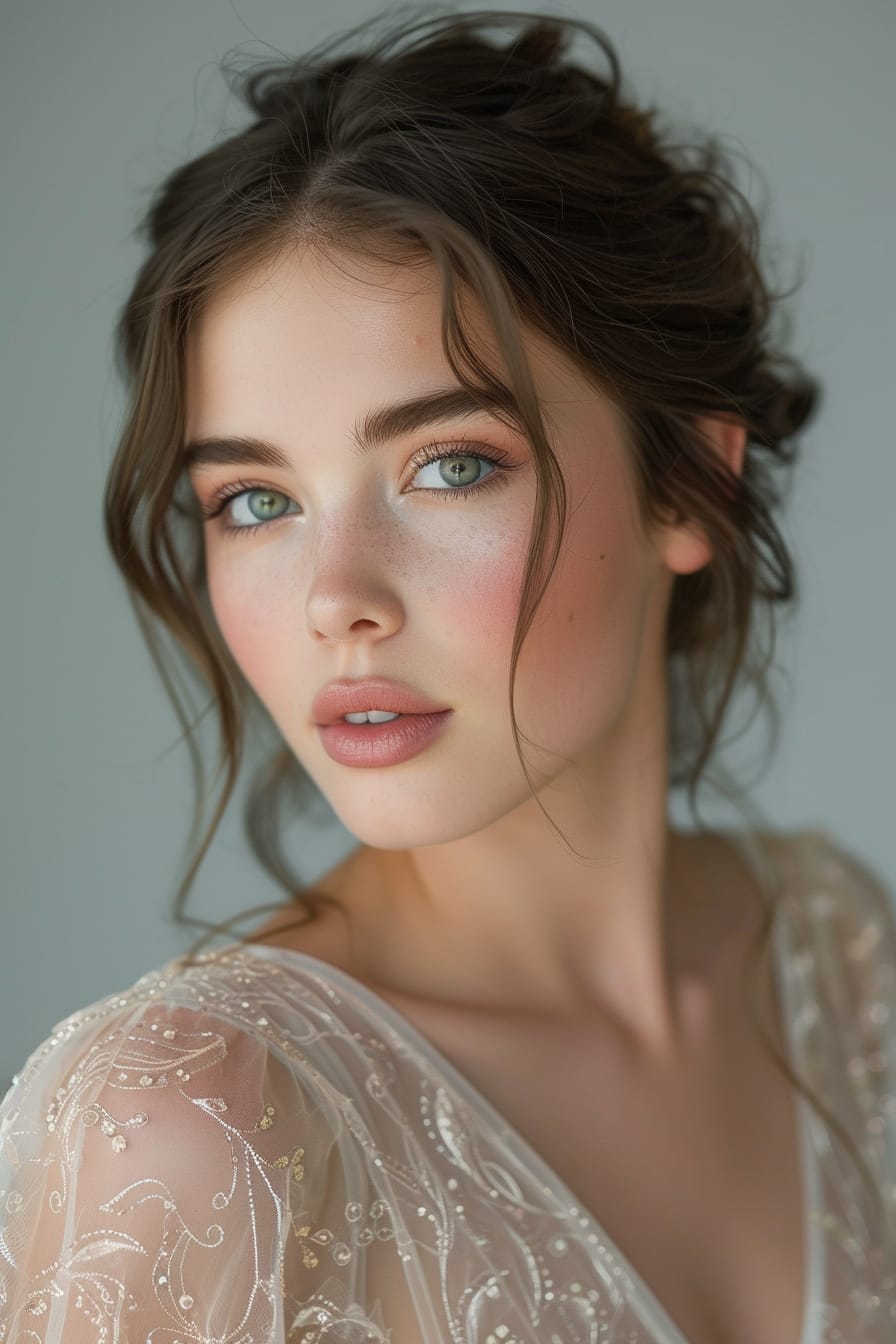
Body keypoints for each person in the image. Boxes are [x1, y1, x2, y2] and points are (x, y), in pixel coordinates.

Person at [1, 7, 893, 1342]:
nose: (335, 600)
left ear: (692, 482)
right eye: (252, 499)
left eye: (450, 466)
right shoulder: (189, 1127)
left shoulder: (845, 953)